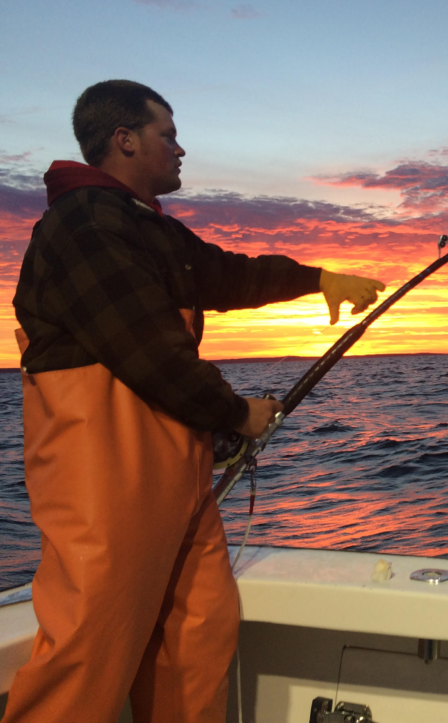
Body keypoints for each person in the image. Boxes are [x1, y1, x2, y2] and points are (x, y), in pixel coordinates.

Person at [4, 80, 386, 722]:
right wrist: (238, 415)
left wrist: (319, 278)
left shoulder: (142, 226)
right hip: (105, 484)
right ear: (125, 139)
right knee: (88, 651)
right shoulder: (84, 223)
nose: (180, 150)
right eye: (168, 135)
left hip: (178, 478)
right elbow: (148, 350)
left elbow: (228, 273)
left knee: (199, 629)